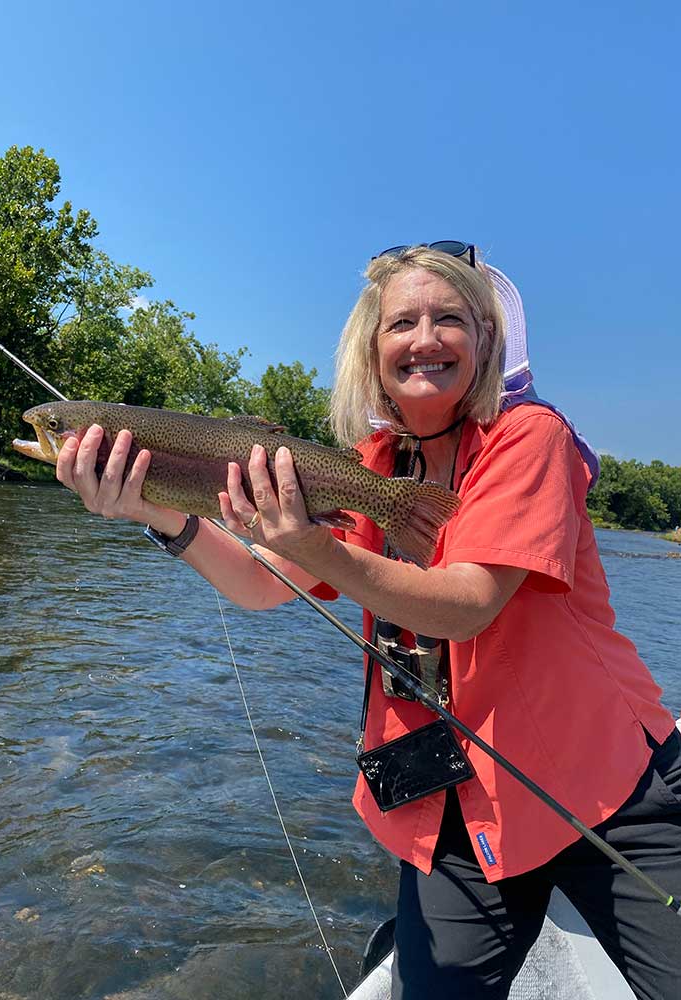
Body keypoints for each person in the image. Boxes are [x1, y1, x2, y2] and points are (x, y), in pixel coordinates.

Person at [56, 243, 681, 999]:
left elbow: (468, 603)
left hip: (607, 789)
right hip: (456, 811)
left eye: (450, 318)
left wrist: (319, 545)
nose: (425, 338)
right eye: (402, 322)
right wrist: (153, 513)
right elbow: (262, 584)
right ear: (371, 348)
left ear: (485, 342)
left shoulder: (532, 438)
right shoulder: (364, 465)